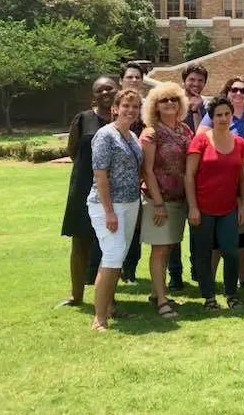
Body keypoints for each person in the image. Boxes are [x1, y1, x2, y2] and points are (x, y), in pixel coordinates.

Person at [57, 76, 117, 308]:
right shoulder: (84, 119)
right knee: (80, 243)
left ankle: (108, 298)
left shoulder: (121, 119)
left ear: (116, 90)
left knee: (110, 246)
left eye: (109, 88)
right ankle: (76, 295)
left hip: (113, 191)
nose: (105, 93)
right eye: (100, 90)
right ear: (94, 95)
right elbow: (73, 150)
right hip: (83, 187)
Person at [184, 96, 244, 310]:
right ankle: (209, 297)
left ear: (231, 116)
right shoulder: (201, 140)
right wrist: (193, 207)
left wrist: (242, 204)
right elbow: (189, 175)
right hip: (202, 208)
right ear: (211, 118)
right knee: (203, 253)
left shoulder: (240, 143)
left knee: (231, 252)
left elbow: (243, 177)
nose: (223, 118)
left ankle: (231, 294)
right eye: (218, 115)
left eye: (226, 114)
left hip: (228, 208)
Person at [87, 89, 144, 331]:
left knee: (117, 258)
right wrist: (109, 211)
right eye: (126, 106)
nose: (130, 110)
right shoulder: (105, 136)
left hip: (130, 203)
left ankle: (109, 306)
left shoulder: (131, 136)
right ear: (115, 108)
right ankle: (98, 318)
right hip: (107, 206)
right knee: (111, 257)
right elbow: (100, 174)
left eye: (135, 107)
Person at [198, 76, 244, 291]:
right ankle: (212, 279)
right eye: (233, 90)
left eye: (243, 91)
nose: (238, 94)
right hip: (217, 185)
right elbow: (201, 144)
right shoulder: (213, 117)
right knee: (217, 238)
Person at [139, 81, 192, 319]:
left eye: (173, 99)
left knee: (169, 246)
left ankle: (155, 292)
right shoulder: (151, 133)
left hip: (179, 199)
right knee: (159, 249)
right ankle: (162, 301)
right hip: (157, 200)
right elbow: (147, 170)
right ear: (155, 106)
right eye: (164, 100)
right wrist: (158, 203)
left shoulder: (185, 130)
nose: (170, 103)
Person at [168, 63, 209, 290]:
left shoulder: (206, 108)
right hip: (174, 175)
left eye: (200, 81)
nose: (195, 84)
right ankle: (175, 275)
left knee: (197, 228)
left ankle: (198, 271)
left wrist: (197, 111)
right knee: (174, 228)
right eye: (192, 80)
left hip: (198, 176)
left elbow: (201, 139)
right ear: (184, 80)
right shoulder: (172, 104)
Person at [117, 62, 146, 284]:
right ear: (122, 80)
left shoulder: (147, 110)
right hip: (114, 182)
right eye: (130, 77)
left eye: (138, 77)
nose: (134, 80)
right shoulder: (115, 108)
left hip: (138, 180)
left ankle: (130, 271)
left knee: (135, 229)